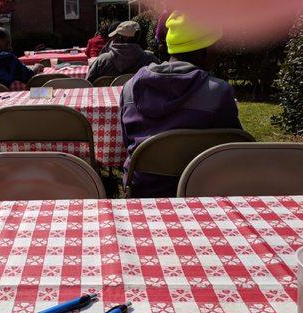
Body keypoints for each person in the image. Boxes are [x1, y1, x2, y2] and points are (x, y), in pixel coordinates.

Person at [120, 12, 242, 198]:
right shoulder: (219, 93)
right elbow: (233, 146)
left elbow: (127, 142)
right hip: (204, 190)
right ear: (204, 50)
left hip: (142, 193)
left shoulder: (130, 89)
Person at [87, 21, 158, 83]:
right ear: (138, 37)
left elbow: (87, 83)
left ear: (122, 38)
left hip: (107, 98)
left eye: (116, 36)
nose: (114, 38)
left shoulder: (103, 60)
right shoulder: (150, 59)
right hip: (138, 98)